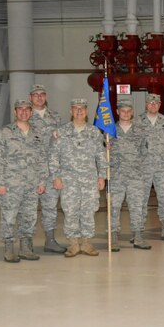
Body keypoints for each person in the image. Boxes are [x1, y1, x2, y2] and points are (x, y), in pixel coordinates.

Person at [0, 98, 48, 262]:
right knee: (9, 217)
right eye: (20, 109)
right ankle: (9, 249)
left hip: (32, 184)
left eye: (27, 109)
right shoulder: (5, 132)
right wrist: (0, 183)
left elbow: (42, 159)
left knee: (29, 217)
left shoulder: (37, 133)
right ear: (15, 112)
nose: (23, 112)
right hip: (11, 185)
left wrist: (42, 181)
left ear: (31, 112)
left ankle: (25, 248)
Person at [49, 99, 107, 257]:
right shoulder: (61, 132)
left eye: (82, 108)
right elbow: (53, 156)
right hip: (69, 180)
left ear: (87, 112)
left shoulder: (94, 132)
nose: (79, 111)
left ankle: (87, 243)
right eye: (75, 108)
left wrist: (102, 176)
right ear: (70, 111)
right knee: (70, 211)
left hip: (89, 180)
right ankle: (73, 244)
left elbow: (101, 156)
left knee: (89, 211)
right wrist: (56, 177)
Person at [28, 83, 66, 253]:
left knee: (50, 206)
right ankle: (26, 241)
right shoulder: (25, 116)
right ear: (31, 98)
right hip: (31, 170)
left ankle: (50, 240)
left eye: (42, 94)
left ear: (46, 97)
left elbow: (60, 144)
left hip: (51, 170)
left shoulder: (55, 117)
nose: (39, 97)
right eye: (35, 95)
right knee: (28, 207)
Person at [109, 99, 151, 251]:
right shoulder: (110, 131)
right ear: (117, 112)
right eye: (122, 111)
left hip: (135, 176)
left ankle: (138, 236)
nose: (126, 113)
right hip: (116, 176)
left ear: (132, 112)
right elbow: (102, 154)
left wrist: (142, 174)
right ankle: (113, 237)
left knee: (137, 207)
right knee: (114, 207)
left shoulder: (140, 131)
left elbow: (145, 154)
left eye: (128, 111)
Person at [138, 93, 164, 242]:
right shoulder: (137, 121)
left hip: (161, 168)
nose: (153, 105)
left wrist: (158, 153)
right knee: (141, 199)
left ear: (160, 105)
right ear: (146, 104)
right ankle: (138, 230)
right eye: (150, 103)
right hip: (143, 168)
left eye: (156, 103)